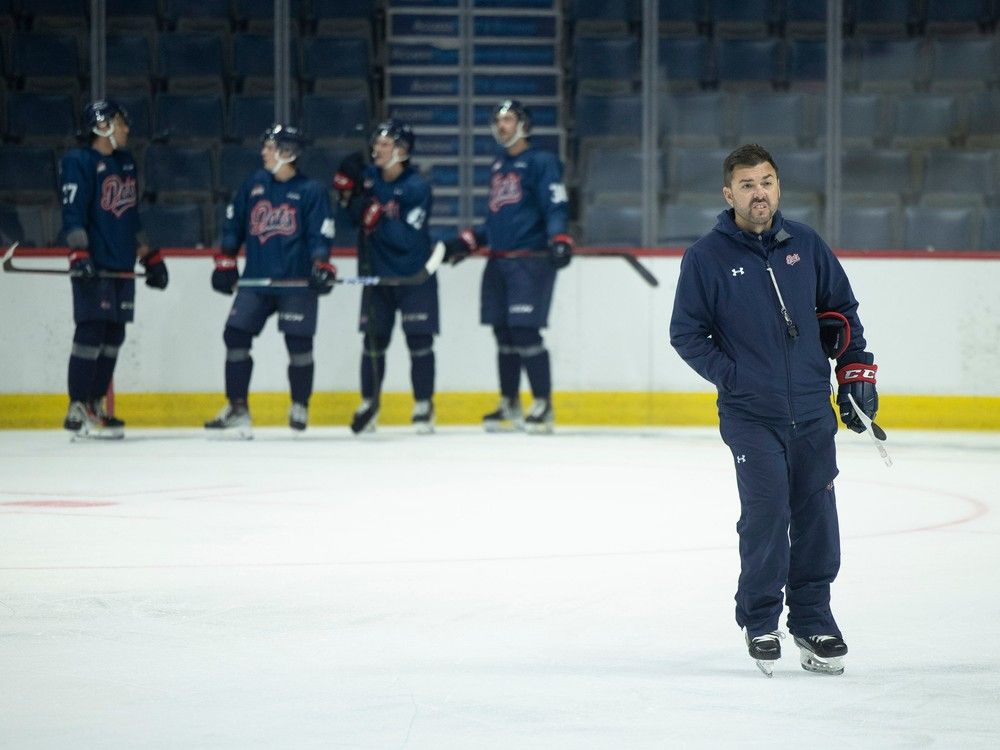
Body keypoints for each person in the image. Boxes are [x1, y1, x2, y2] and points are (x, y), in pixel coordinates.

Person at [669, 144, 879, 677]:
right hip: (750, 414)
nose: (758, 192)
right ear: (728, 194)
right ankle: (760, 618)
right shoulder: (706, 257)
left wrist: (855, 374)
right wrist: (735, 377)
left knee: (816, 518)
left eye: (766, 181)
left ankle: (813, 619)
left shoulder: (806, 245)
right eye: (746, 184)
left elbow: (840, 312)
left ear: (778, 186)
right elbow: (686, 333)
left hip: (811, 410)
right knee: (766, 514)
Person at [442, 99, 573, 434]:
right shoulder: (499, 165)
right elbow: (498, 219)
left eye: (508, 119)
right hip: (499, 262)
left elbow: (555, 203)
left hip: (528, 261)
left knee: (525, 330)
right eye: (498, 120)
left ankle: (543, 405)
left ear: (523, 124)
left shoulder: (542, 162)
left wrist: (559, 236)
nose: (501, 125)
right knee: (503, 332)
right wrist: (470, 240)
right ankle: (510, 402)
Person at [205, 124, 336, 438]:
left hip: (296, 282)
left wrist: (321, 264)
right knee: (234, 335)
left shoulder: (311, 191)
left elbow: (321, 233)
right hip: (256, 281)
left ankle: (299, 404)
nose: (263, 152)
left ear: (287, 153)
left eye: (270, 147)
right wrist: (226, 259)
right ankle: (238, 408)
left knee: (299, 344)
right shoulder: (254, 184)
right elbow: (234, 224)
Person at [59, 99, 169, 439]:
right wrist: (79, 253)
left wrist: (150, 256)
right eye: (120, 123)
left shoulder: (126, 164)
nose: (126, 129)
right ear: (102, 125)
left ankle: (94, 404)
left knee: (114, 336)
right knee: (91, 333)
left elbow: (131, 215)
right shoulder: (79, 161)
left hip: (121, 264)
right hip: (95, 262)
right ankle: (77, 405)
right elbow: (73, 212)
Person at [334, 119, 437, 434]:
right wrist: (346, 195)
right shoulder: (369, 179)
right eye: (375, 142)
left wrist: (376, 216)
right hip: (376, 276)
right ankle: (369, 402)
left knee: (419, 342)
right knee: (373, 343)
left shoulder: (418, 188)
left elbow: (406, 238)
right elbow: (351, 221)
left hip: (413, 277)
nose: (376, 148)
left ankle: (423, 403)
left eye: (384, 143)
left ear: (402, 151)